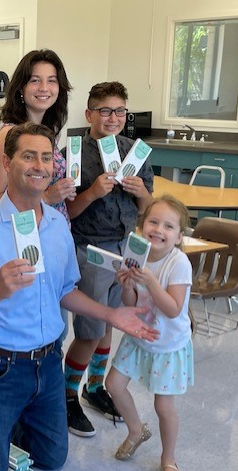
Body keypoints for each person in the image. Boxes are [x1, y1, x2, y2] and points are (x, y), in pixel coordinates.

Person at [0, 122, 159, 471]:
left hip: (47, 365)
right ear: (6, 163)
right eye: (28, 156)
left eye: (47, 158)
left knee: (52, 457)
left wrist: (112, 314)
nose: (39, 166)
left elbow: (65, 291)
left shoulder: (57, 226)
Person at [64, 81, 154, 437]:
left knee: (111, 323)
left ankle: (95, 386)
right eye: (105, 110)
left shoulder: (135, 152)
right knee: (88, 329)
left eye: (120, 111)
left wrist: (141, 193)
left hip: (126, 248)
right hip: (89, 247)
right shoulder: (74, 153)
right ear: (89, 114)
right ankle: (68, 394)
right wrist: (92, 191)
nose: (113, 117)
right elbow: (65, 211)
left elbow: (148, 209)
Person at [106, 195, 193, 471]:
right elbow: (130, 303)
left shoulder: (178, 263)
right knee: (114, 385)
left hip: (167, 343)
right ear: (142, 226)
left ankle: (169, 457)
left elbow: (173, 308)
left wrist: (152, 283)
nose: (159, 230)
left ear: (179, 236)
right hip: (138, 334)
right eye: (153, 222)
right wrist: (128, 284)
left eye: (169, 226)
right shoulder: (136, 255)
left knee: (163, 405)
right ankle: (135, 430)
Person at [0, 49, 77, 222]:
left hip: (52, 229)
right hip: (26, 233)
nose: (44, 88)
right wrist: (47, 198)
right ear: (21, 88)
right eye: (35, 80)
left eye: (52, 81)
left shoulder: (48, 131)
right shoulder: (9, 133)